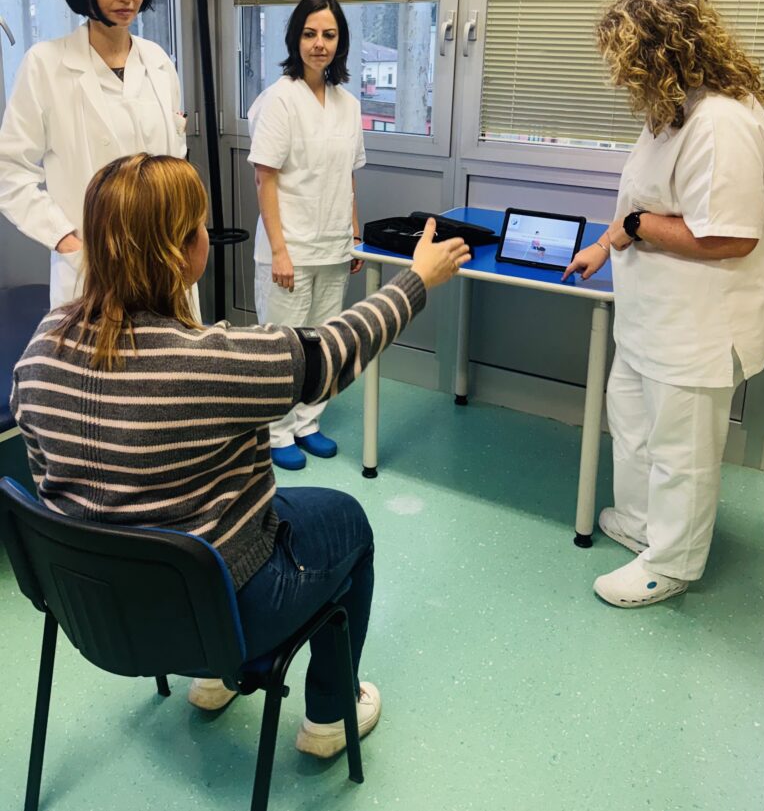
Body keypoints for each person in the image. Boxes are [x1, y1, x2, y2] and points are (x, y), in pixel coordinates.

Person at [11, 153, 470, 753]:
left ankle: (209, 682)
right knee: (348, 523)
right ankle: (331, 717)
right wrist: (416, 280)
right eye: (199, 225)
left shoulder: (41, 348)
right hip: (222, 616)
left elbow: (47, 482)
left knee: (187, 526)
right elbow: (336, 349)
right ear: (182, 252)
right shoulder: (212, 362)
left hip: (96, 612)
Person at [564, 0, 764, 608]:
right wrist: (605, 244)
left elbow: (731, 237)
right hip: (650, 316)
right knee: (630, 421)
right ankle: (644, 523)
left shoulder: (723, 121)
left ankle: (674, 562)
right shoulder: (671, 112)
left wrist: (636, 228)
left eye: (623, 58)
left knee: (683, 452)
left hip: (696, 327)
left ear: (657, 50)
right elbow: (639, 202)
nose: (619, 74)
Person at [0, 0, 188, 309]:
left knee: (168, 348)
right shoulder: (46, 65)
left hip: (162, 262)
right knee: (98, 348)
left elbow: (176, 163)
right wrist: (64, 239)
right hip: (90, 266)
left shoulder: (157, 61)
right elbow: (9, 170)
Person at [247, 0, 365, 470]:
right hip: (290, 249)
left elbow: (347, 175)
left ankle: (308, 423)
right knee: (284, 348)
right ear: (295, 39)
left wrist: (353, 234)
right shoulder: (279, 99)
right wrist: (279, 250)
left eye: (329, 35)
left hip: (333, 246)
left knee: (323, 343)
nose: (320, 44)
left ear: (341, 42)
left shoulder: (348, 104)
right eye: (310, 34)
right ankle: (276, 432)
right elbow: (265, 177)